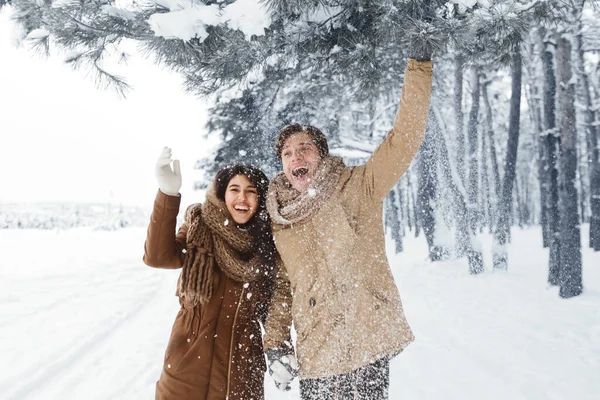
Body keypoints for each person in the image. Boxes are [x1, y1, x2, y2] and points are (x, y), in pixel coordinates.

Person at [263, 54, 433, 399]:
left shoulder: (359, 187)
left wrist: (420, 66)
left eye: (305, 149)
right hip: (317, 351)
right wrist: (276, 344)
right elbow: (282, 287)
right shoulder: (279, 218)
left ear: (321, 155)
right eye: (287, 153)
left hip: (367, 340)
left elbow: (405, 138)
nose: (296, 157)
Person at [143, 148, 294, 400]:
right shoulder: (200, 226)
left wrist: (280, 347)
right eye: (234, 189)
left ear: (261, 199)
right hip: (187, 368)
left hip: (243, 373)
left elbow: (279, 302)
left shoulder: (269, 243)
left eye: (251, 191)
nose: (242, 198)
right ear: (222, 195)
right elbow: (158, 257)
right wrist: (167, 194)